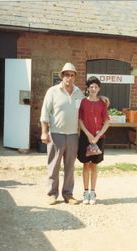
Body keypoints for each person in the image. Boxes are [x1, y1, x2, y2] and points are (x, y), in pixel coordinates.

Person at [40, 63, 109, 205]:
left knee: (70, 166)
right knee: (54, 165)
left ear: (75, 77)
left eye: (72, 75)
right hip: (56, 134)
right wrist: (44, 132)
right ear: (62, 76)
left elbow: (91, 97)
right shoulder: (52, 91)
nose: (69, 77)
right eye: (66, 74)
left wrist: (102, 98)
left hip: (72, 135)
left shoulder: (78, 92)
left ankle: (68, 194)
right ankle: (52, 194)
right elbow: (44, 113)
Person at [77, 76, 109, 205]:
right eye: (91, 87)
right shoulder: (83, 102)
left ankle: (93, 192)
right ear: (88, 88)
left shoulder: (102, 103)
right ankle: (85, 192)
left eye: (96, 87)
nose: (93, 89)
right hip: (85, 137)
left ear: (99, 88)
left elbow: (107, 122)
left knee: (94, 166)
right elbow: (80, 120)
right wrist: (88, 135)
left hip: (98, 138)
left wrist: (96, 136)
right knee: (85, 165)